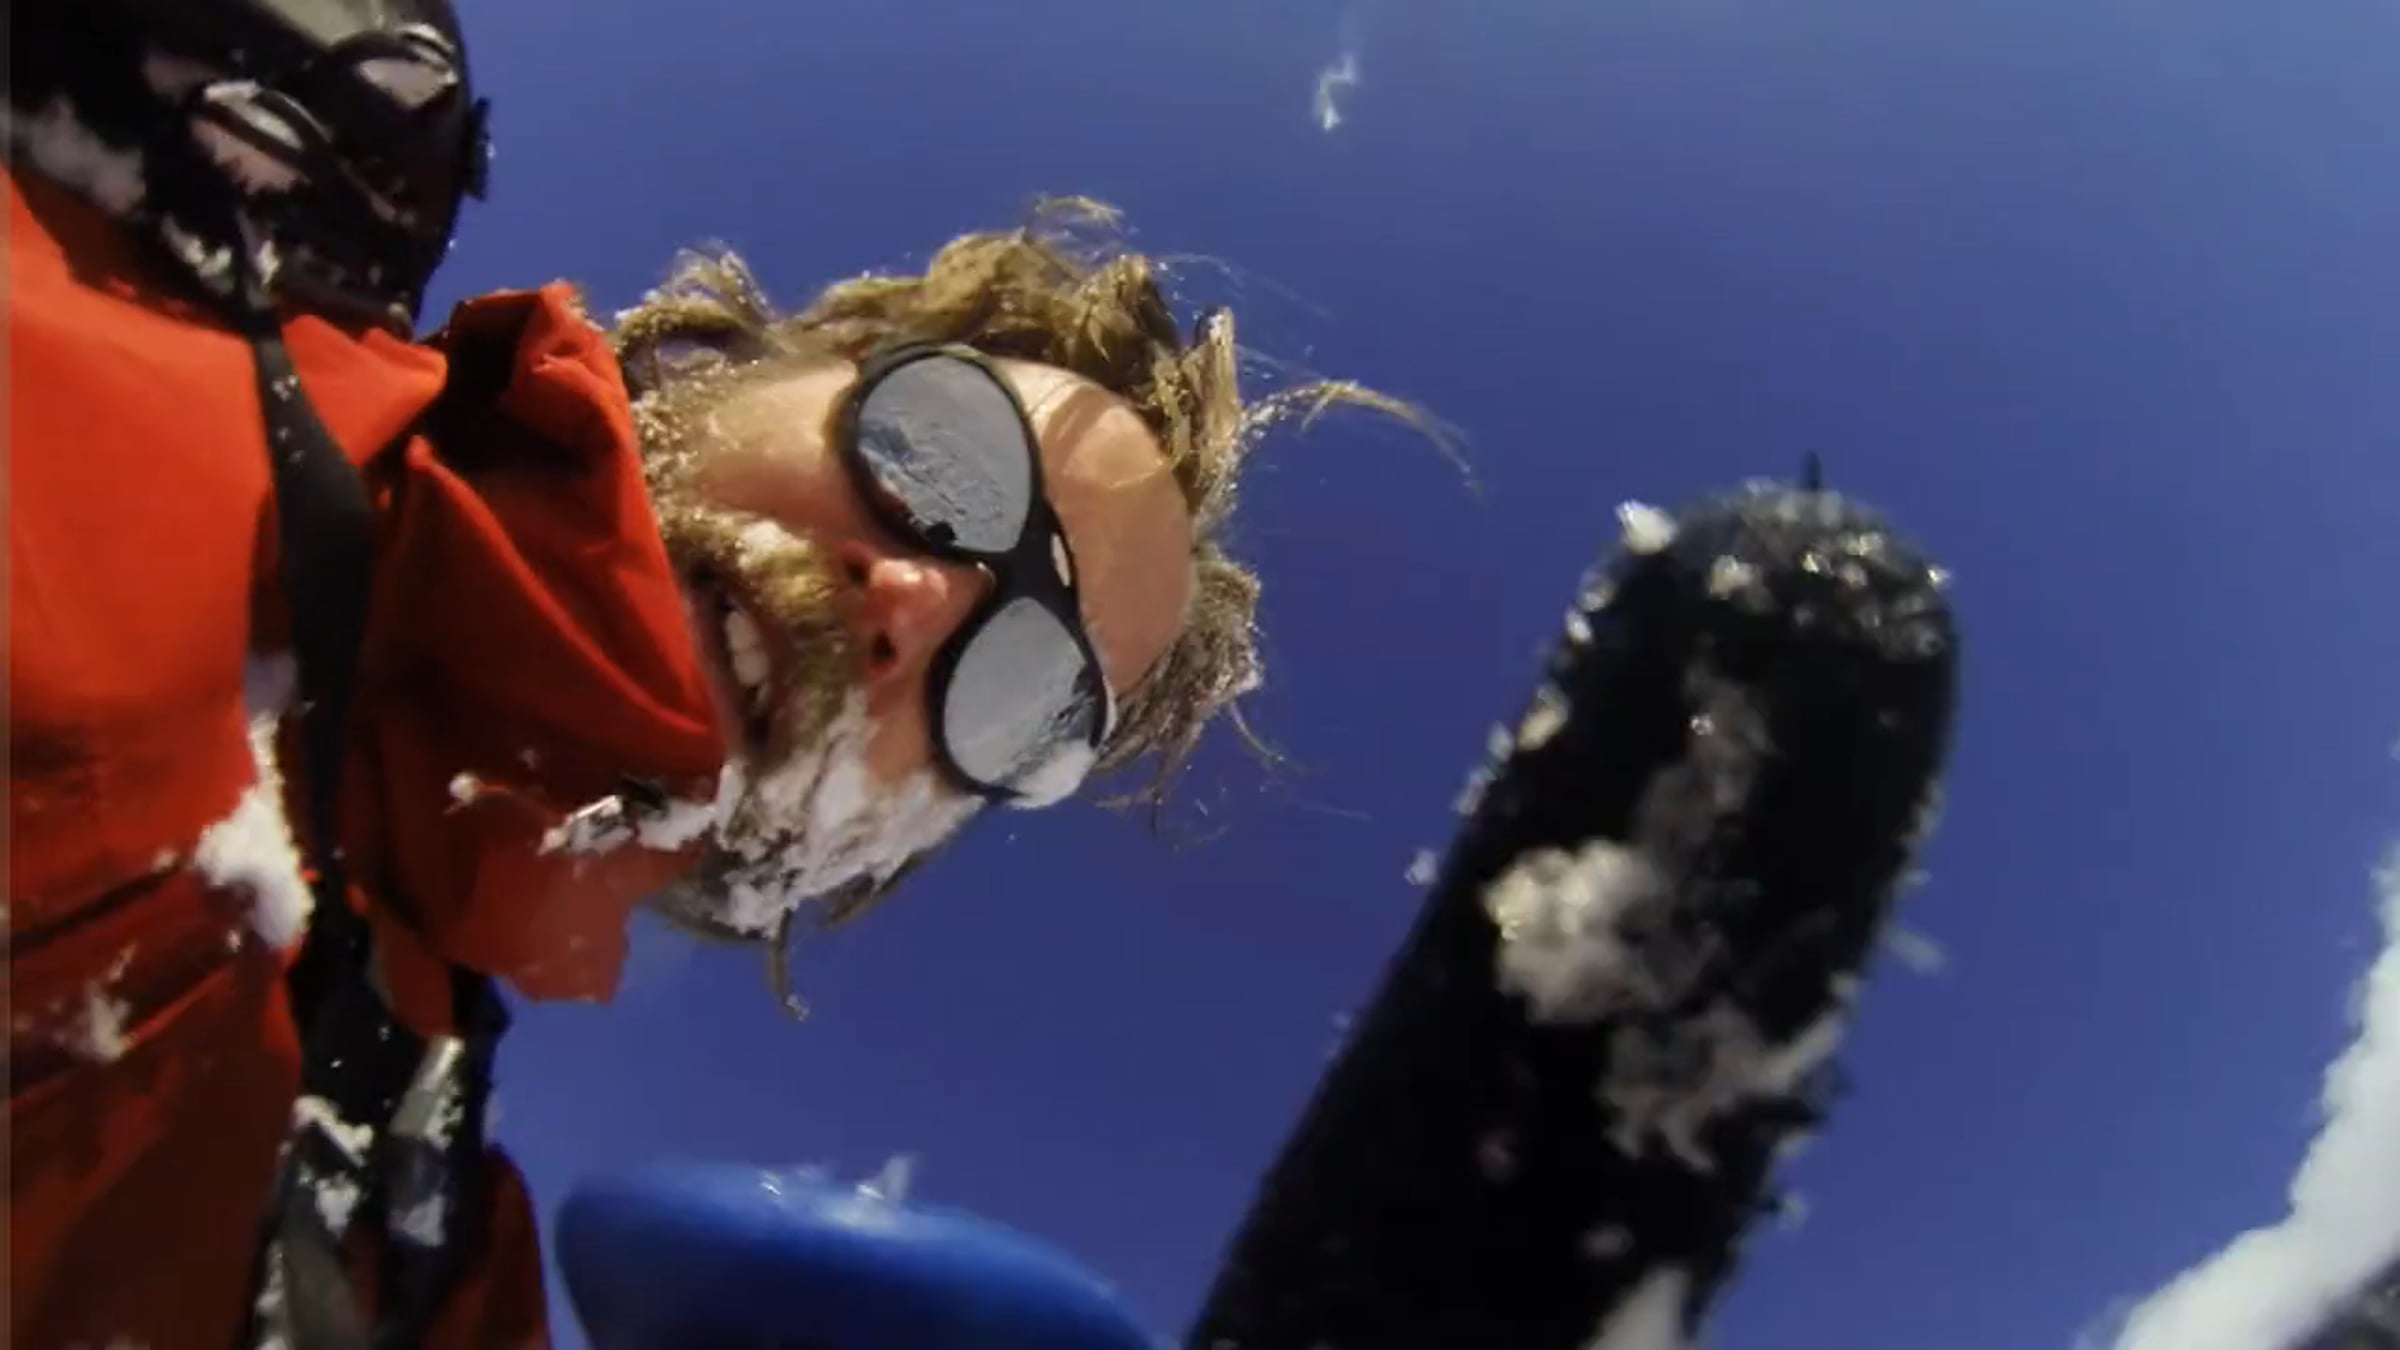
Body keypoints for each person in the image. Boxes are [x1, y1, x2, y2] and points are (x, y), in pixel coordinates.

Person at [5, 2, 1430, 1345]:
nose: (918, 601)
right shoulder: (98, 344)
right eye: (943, 460)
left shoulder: (410, 1249)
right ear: (772, 364)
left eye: (1020, 693)